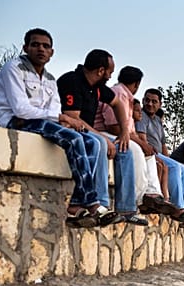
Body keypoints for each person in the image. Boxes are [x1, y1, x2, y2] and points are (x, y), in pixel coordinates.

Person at [0, 28, 112, 227]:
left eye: (46, 46)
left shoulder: (49, 79)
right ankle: (92, 202)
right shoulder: (13, 68)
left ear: (52, 52)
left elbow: (54, 107)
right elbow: (21, 109)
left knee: (92, 142)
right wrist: (60, 118)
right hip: (16, 121)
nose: (40, 49)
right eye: (35, 44)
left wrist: (59, 118)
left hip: (41, 122)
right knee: (74, 138)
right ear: (25, 47)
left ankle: (76, 203)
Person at [57, 49, 138, 226]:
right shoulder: (72, 81)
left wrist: (125, 131)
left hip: (88, 131)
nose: (110, 76)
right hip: (70, 128)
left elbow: (117, 104)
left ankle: (126, 209)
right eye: (110, 72)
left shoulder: (98, 88)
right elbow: (73, 117)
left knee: (125, 149)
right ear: (101, 71)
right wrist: (102, 136)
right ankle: (101, 204)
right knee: (100, 143)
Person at [94, 65, 178, 224]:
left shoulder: (126, 97)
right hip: (104, 132)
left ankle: (152, 194)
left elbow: (127, 129)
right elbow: (113, 125)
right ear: (137, 84)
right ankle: (139, 200)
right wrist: (139, 142)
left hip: (117, 134)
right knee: (136, 150)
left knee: (148, 151)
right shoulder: (118, 93)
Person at [135, 88, 184, 228]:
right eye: (147, 100)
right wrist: (165, 160)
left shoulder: (157, 121)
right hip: (149, 152)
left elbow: (163, 145)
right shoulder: (141, 116)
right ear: (143, 100)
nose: (149, 104)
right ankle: (178, 208)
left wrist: (168, 159)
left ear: (160, 104)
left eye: (154, 101)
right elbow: (143, 140)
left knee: (183, 169)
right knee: (174, 167)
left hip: (159, 153)